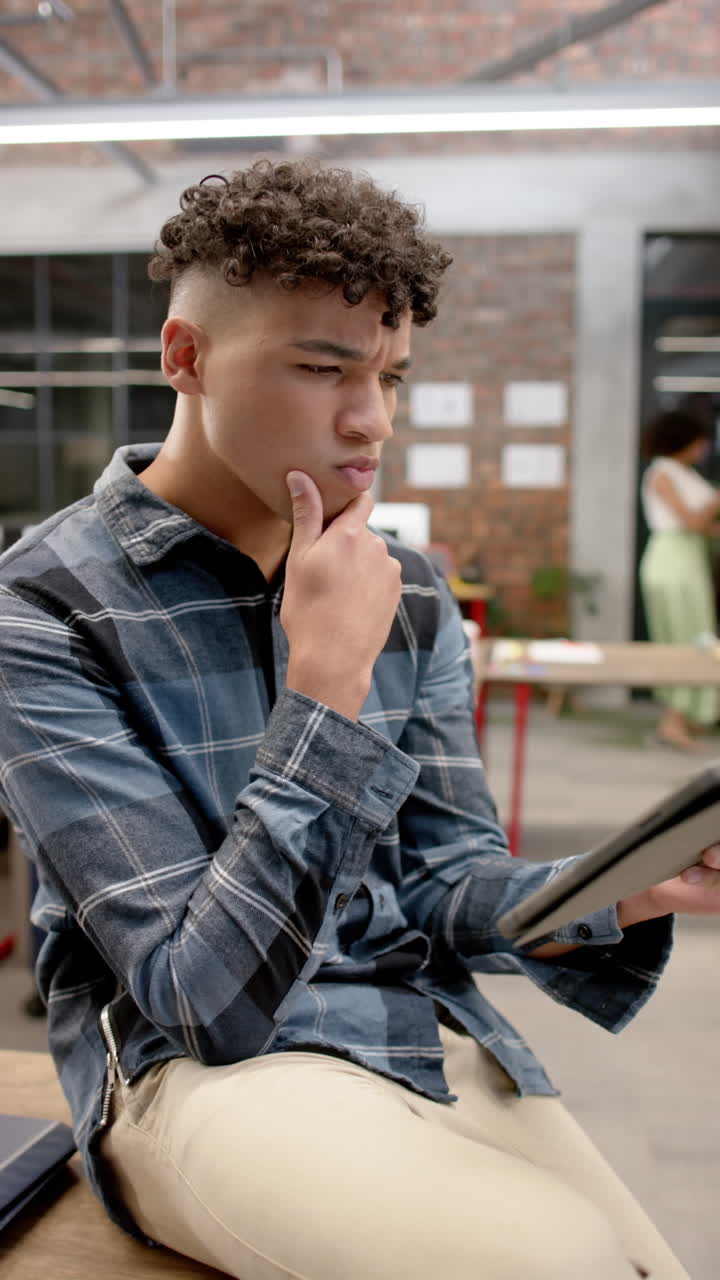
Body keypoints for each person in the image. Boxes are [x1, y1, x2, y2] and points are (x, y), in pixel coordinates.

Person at [0, 161, 718, 1280]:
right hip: (189, 1077)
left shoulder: (412, 590)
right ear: (184, 357)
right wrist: (325, 686)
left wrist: (622, 886)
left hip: (405, 1027)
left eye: (391, 374)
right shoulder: (43, 606)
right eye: (322, 367)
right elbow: (200, 1003)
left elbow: (443, 877)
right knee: (551, 1256)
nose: (370, 418)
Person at [639, 407, 720, 750]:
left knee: (695, 633)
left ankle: (687, 717)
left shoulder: (684, 473)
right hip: (672, 560)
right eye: (700, 441)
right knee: (686, 637)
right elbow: (690, 522)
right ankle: (672, 722)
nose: (704, 447)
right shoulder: (663, 473)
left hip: (687, 558)